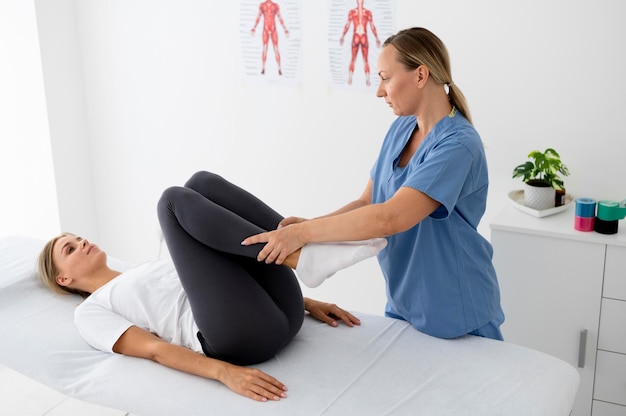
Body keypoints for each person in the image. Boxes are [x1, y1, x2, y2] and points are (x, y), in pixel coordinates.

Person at [243, 27, 505, 341]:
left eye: (385, 77)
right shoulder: (401, 128)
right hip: (404, 300)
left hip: (456, 307)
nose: (380, 91)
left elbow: (391, 217)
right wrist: (314, 225)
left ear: (420, 75)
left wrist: (302, 233)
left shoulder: (457, 145)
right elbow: (368, 202)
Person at [38, 171, 386, 402]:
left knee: (200, 182)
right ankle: (301, 254)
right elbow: (153, 350)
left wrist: (308, 303)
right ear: (63, 279)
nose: (81, 242)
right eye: (69, 249)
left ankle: (305, 249)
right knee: (171, 201)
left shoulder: (140, 270)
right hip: (238, 338)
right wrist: (224, 373)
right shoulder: (91, 311)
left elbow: (224, 281)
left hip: (283, 311)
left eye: (78, 238)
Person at [339, 0, 381, 86]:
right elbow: (372, 26)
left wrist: (343, 36)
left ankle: (351, 79)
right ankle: (366, 80)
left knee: (354, 59)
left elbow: (347, 25)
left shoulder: (353, 12)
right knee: (364, 60)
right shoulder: (367, 13)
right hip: (363, 36)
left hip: (356, 36)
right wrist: (376, 38)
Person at [250, 0, 289, 76]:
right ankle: (263, 67)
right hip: (266, 29)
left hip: (273, 29)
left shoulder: (275, 5)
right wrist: (254, 27)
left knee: (276, 49)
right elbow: (258, 16)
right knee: (265, 48)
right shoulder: (262, 5)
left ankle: (279, 68)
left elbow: (279, 17)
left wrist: (285, 29)